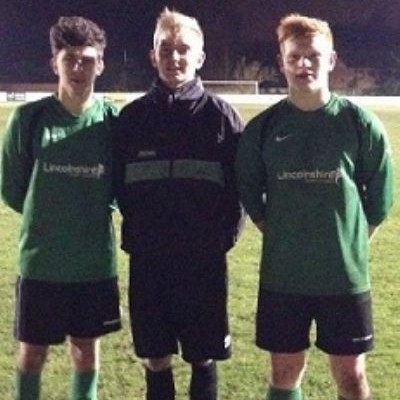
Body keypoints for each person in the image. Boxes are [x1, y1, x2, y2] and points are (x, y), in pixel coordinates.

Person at [235, 13, 394, 400]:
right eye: (294, 57)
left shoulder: (359, 123)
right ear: (282, 62)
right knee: (285, 372)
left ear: (331, 60)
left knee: (352, 376)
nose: (303, 64)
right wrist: (273, 227)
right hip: (283, 277)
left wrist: (352, 242)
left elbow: (380, 196)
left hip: (343, 278)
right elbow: (249, 189)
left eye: (313, 56)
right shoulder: (264, 128)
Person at [113, 7, 244, 400]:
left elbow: (240, 192)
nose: (174, 57)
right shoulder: (131, 119)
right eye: (165, 49)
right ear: (153, 56)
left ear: (199, 57)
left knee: (203, 356)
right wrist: (139, 233)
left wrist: (220, 241)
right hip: (149, 261)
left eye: (183, 49)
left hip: (203, 264)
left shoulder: (221, 118)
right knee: (155, 358)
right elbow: (119, 187)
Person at [0, 16, 121, 400]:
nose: (79, 67)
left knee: (86, 352)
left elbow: (121, 187)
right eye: (70, 59)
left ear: (101, 64)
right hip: (41, 264)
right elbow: (11, 188)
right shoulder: (29, 119)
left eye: (88, 59)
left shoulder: (113, 123)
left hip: (93, 264)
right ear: (55, 63)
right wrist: (48, 216)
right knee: (32, 354)